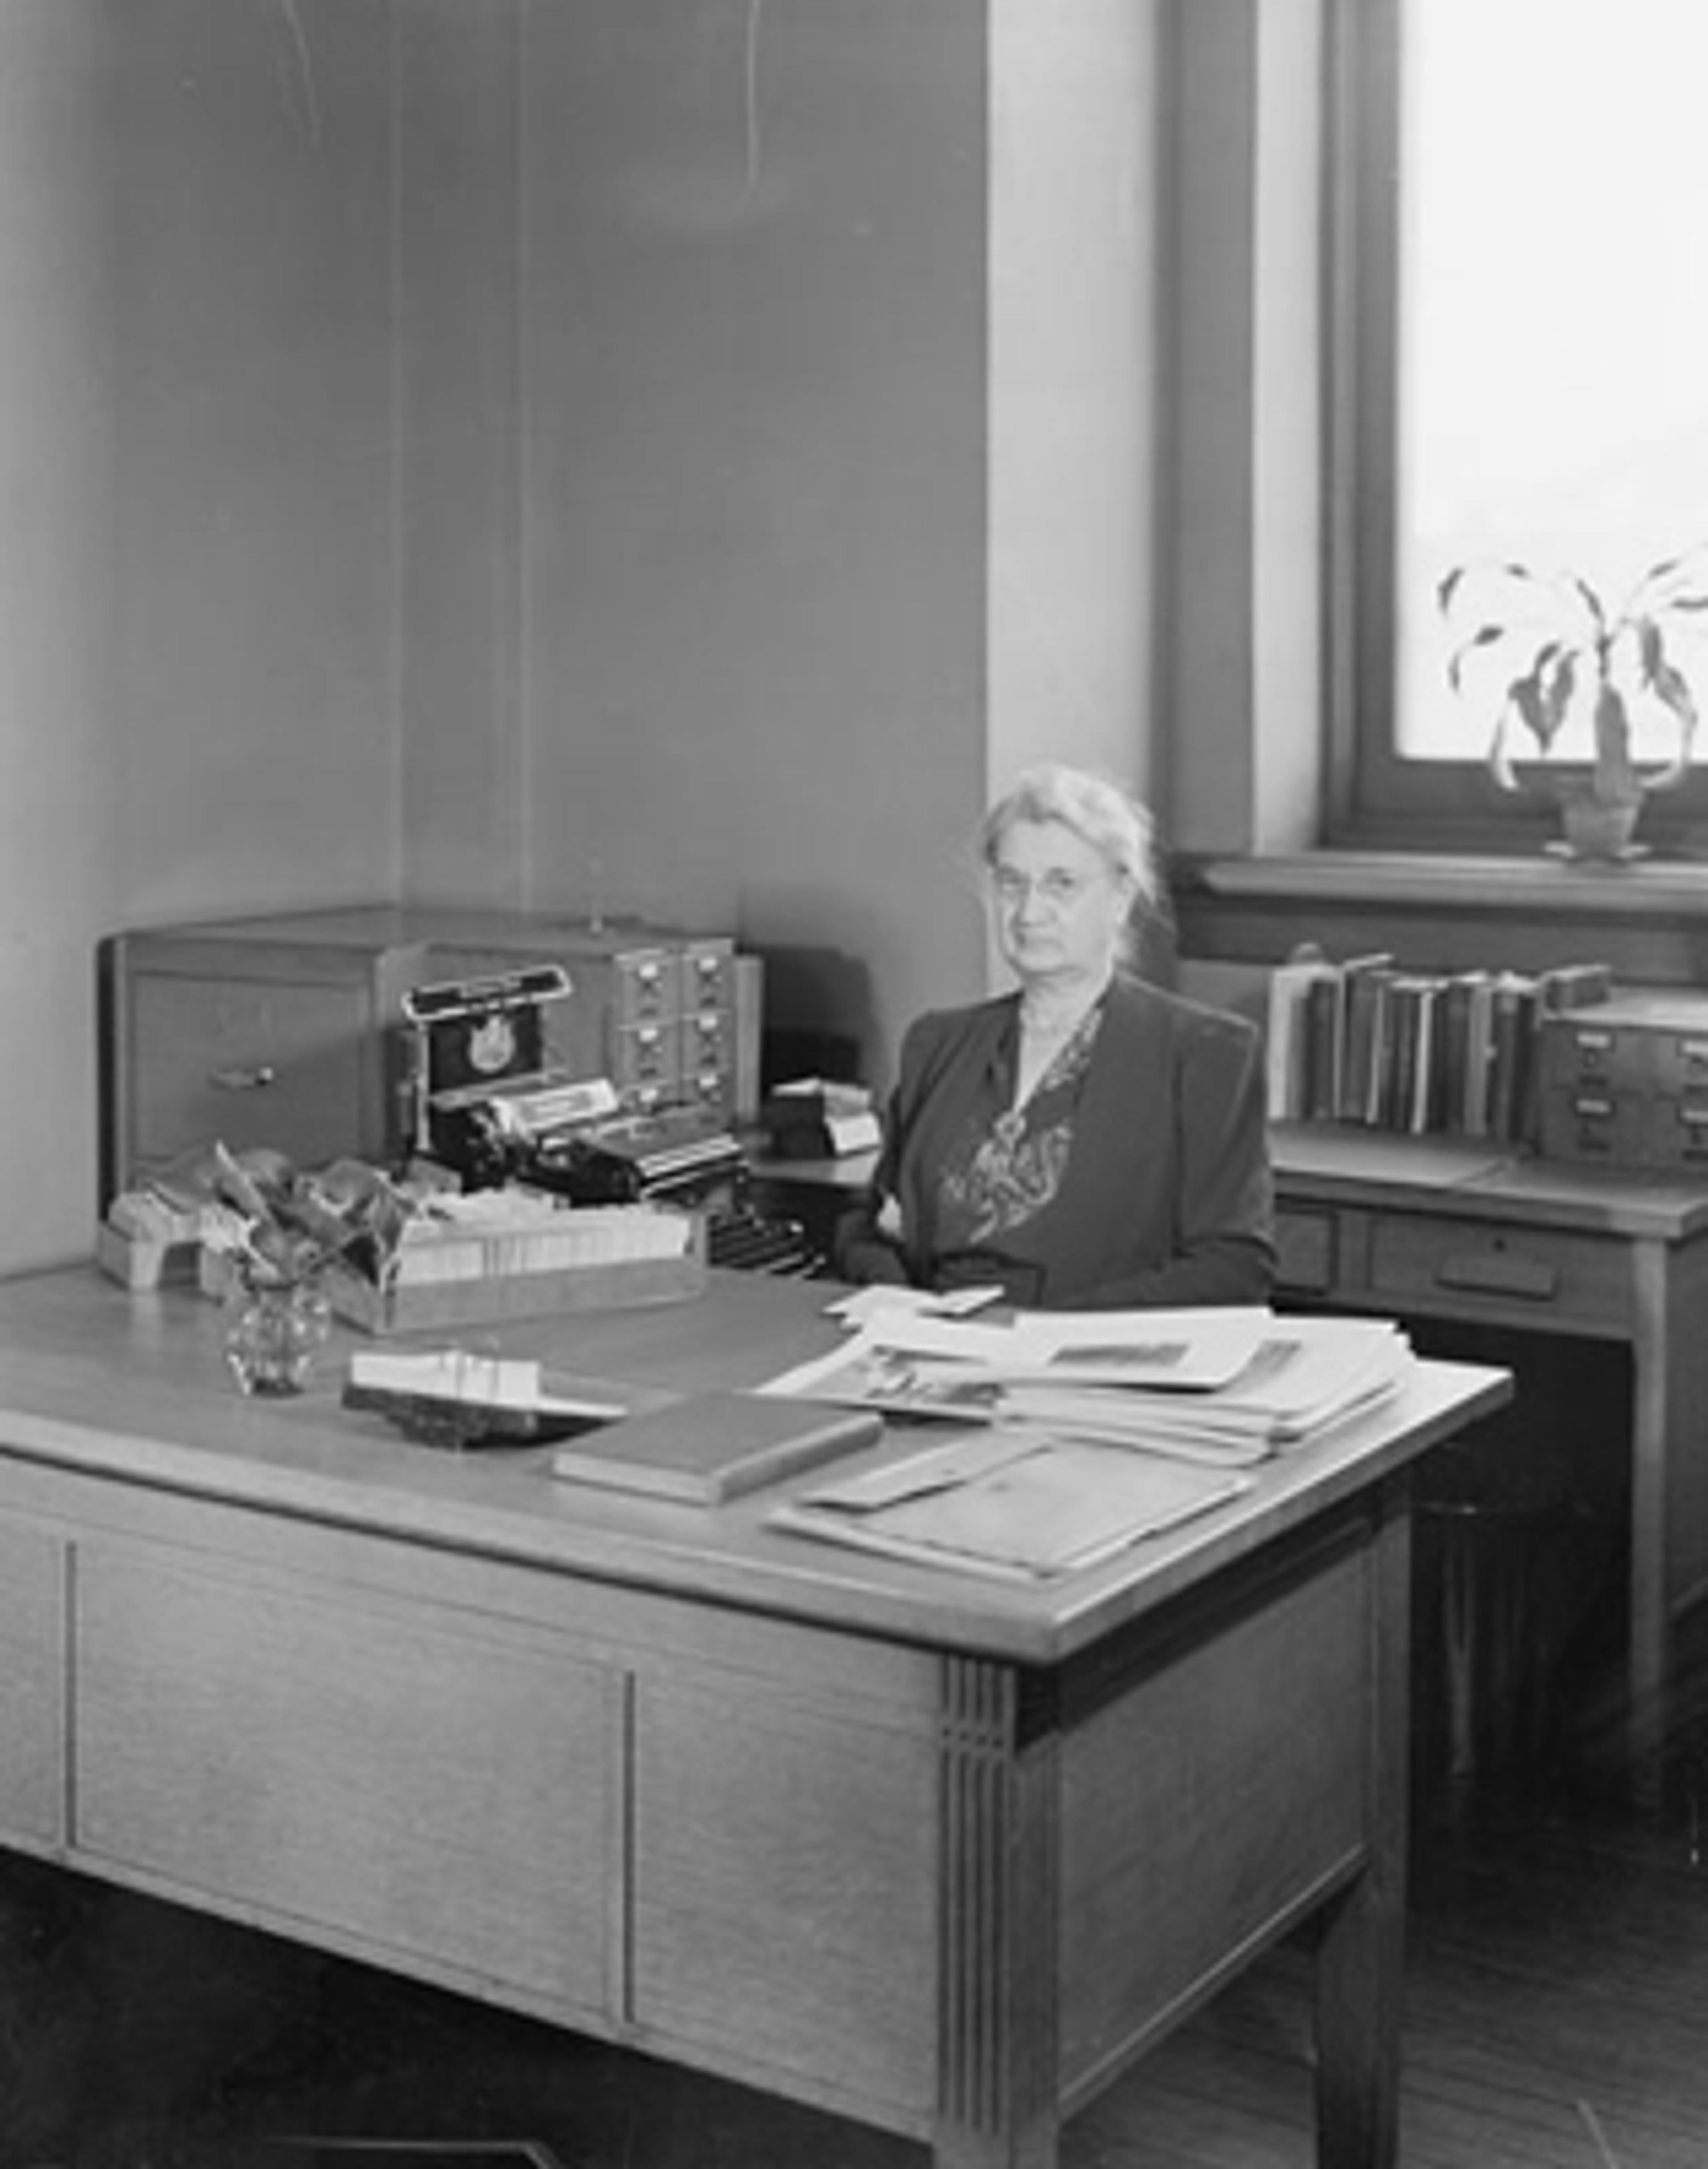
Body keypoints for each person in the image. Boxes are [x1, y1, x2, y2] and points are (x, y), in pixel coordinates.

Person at [836, 763, 1274, 1309]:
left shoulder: (1205, 1053)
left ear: (1120, 898)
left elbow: (1232, 1270)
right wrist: (899, 1299)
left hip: (1083, 1364)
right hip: (925, 1352)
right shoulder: (938, 1043)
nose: (1029, 912)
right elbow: (868, 1225)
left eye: (1061, 884)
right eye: (1011, 883)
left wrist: (1038, 1335)